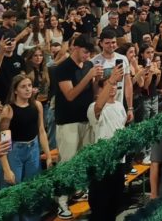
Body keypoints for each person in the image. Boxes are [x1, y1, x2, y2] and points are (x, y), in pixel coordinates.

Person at [53, 36, 101, 220]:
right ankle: (61, 200)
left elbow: (93, 92)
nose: (87, 56)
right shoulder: (63, 68)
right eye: (85, 52)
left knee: (83, 159)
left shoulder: (88, 65)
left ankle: (77, 190)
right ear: (75, 48)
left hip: (86, 119)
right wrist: (88, 77)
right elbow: (70, 95)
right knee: (67, 161)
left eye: (89, 53)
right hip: (68, 122)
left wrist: (96, 80)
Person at [0, 75, 52, 204]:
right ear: (15, 90)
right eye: (23, 87)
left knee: (32, 190)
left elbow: (41, 131)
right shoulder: (8, 110)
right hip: (14, 151)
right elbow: (2, 142)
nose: (28, 89)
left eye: (29, 86)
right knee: (12, 193)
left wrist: (48, 155)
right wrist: (6, 169)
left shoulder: (37, 105)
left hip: (33, 149)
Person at [87, 74, 126, 221]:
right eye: (108, 85)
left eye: (115, 84)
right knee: (100, 203)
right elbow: (98, 106)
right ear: (100, 90)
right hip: (102, 162)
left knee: (115, 201)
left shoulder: (120, 106)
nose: (112, 87)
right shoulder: (93, 108)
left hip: (119, 160)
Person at [90, 31, 134, 124]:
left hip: (119, 106)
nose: (111, 45)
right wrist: (97, 80)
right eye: (107, 43)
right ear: (101, 43)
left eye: (113, 42)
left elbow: (128, 84)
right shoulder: (94, 61)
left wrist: (130, 108)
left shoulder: (123, 59)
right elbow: (93, 88)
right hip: (102, 108)